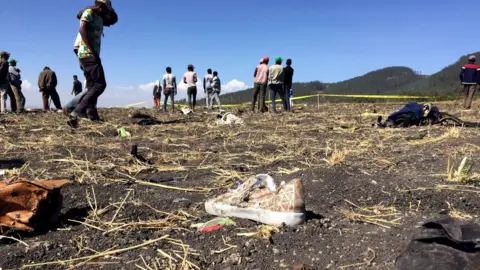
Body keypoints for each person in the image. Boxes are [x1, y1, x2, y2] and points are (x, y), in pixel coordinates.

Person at [70, 0, 117, 124]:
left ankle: (91, 114)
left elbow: (113, 20)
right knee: (100, 84)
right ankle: (78, 110)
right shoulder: (89, 12)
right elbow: (82, 29)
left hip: (91, 54)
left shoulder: (100, 18)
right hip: (88, 53)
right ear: (102, 6)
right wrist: (91, 51)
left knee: (91, 86)